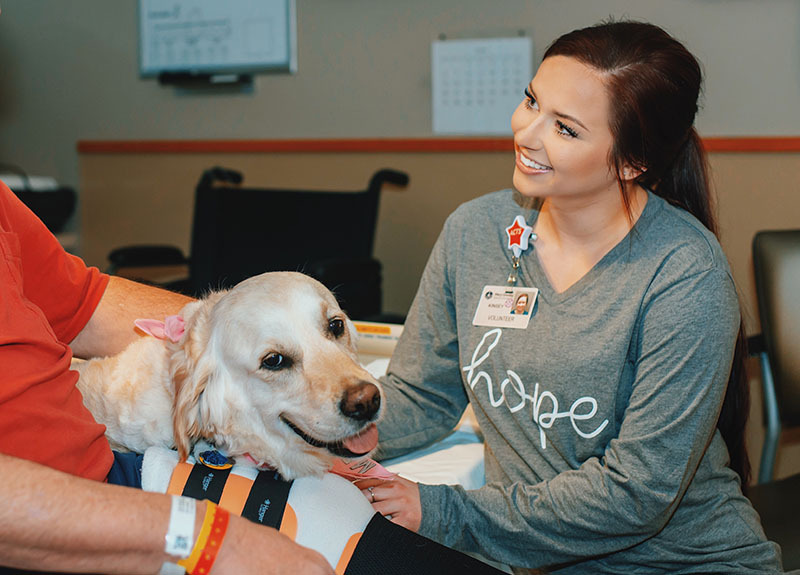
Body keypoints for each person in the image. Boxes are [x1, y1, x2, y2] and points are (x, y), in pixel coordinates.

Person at [356, 20, 784, 573]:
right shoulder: (476, 232)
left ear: (632, 162)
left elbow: (636, 496)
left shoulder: (685, 275)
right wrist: (320, 438)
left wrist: (444, 512)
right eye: (531, 100)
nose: (526, 133)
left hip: (680, 563)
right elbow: (422, 395)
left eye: (565, 128)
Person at [0, 180, 335, 574]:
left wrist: (221, 337)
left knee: (358, 532)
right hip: (34, 529)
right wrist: (213, 541)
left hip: (111, 472)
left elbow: (83, 304)